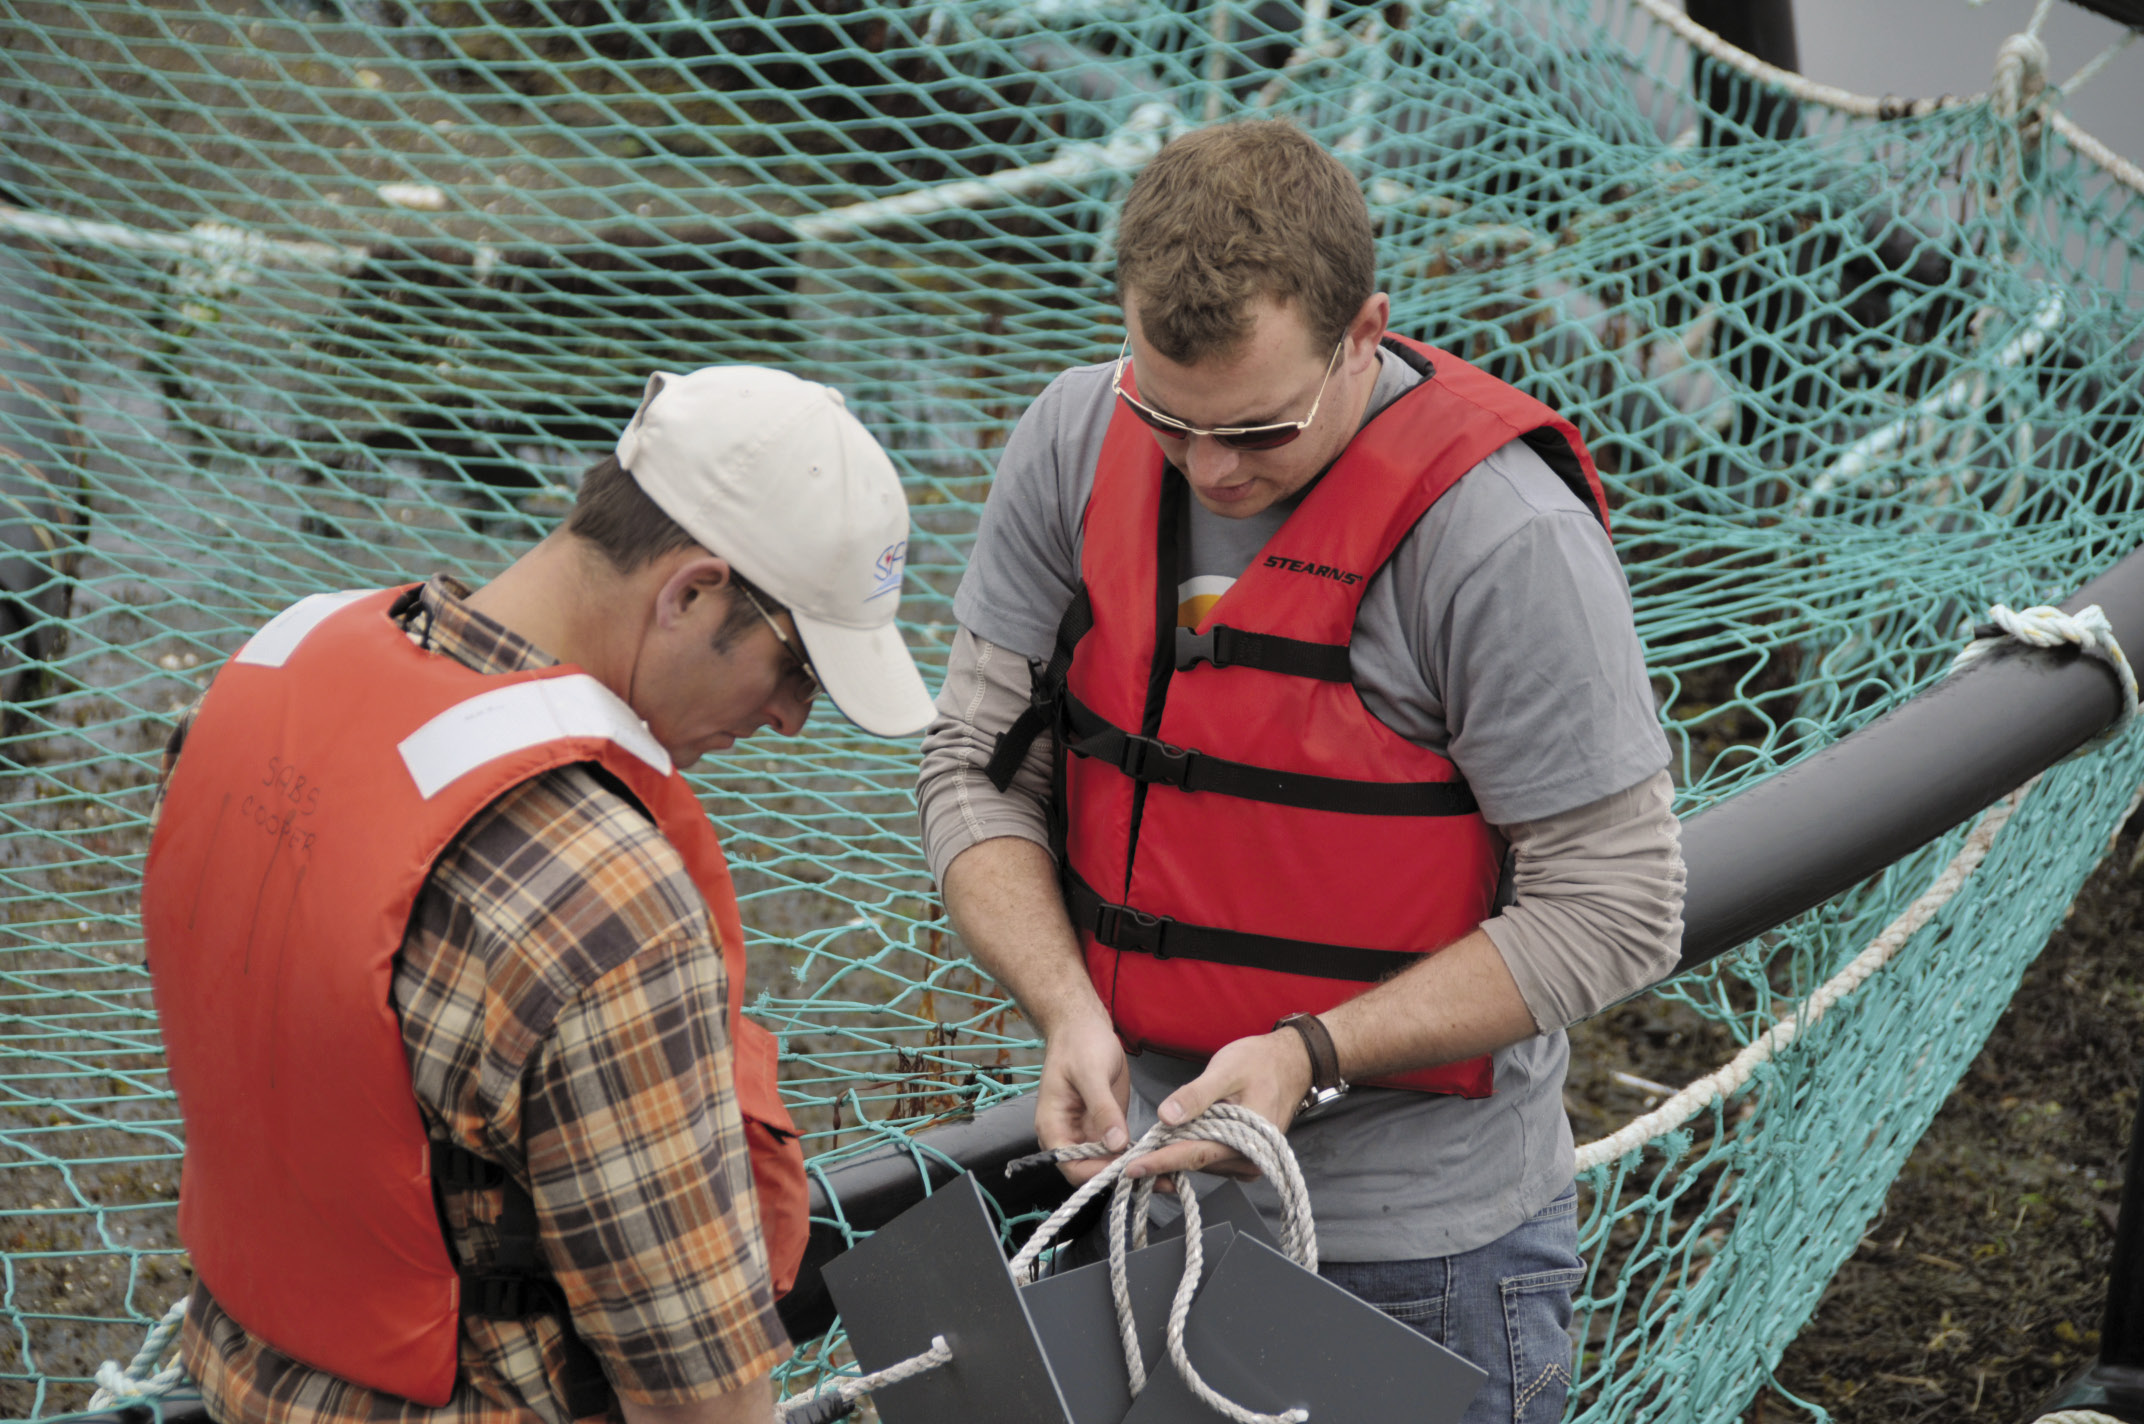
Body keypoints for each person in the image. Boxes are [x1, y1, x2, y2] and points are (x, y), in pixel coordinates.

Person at [917, 122, 1685, 1424]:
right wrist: (1066, 1007)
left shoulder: (1506, 544)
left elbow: (1618, 907)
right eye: (1167, 418)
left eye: (1260, 430)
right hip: (1144, 1203)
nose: (1212, 469)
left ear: (1364, 333)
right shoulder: (1069, 440)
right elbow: (975, 767)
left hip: (1423, 1258)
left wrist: (1307, 1055)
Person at [143, 366, 937, 1424]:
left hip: (241, 1373)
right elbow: (697, 1395)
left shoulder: (259, 678)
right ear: (690, 592)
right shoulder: (606, 898)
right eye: (796, 668)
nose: (792, 717)